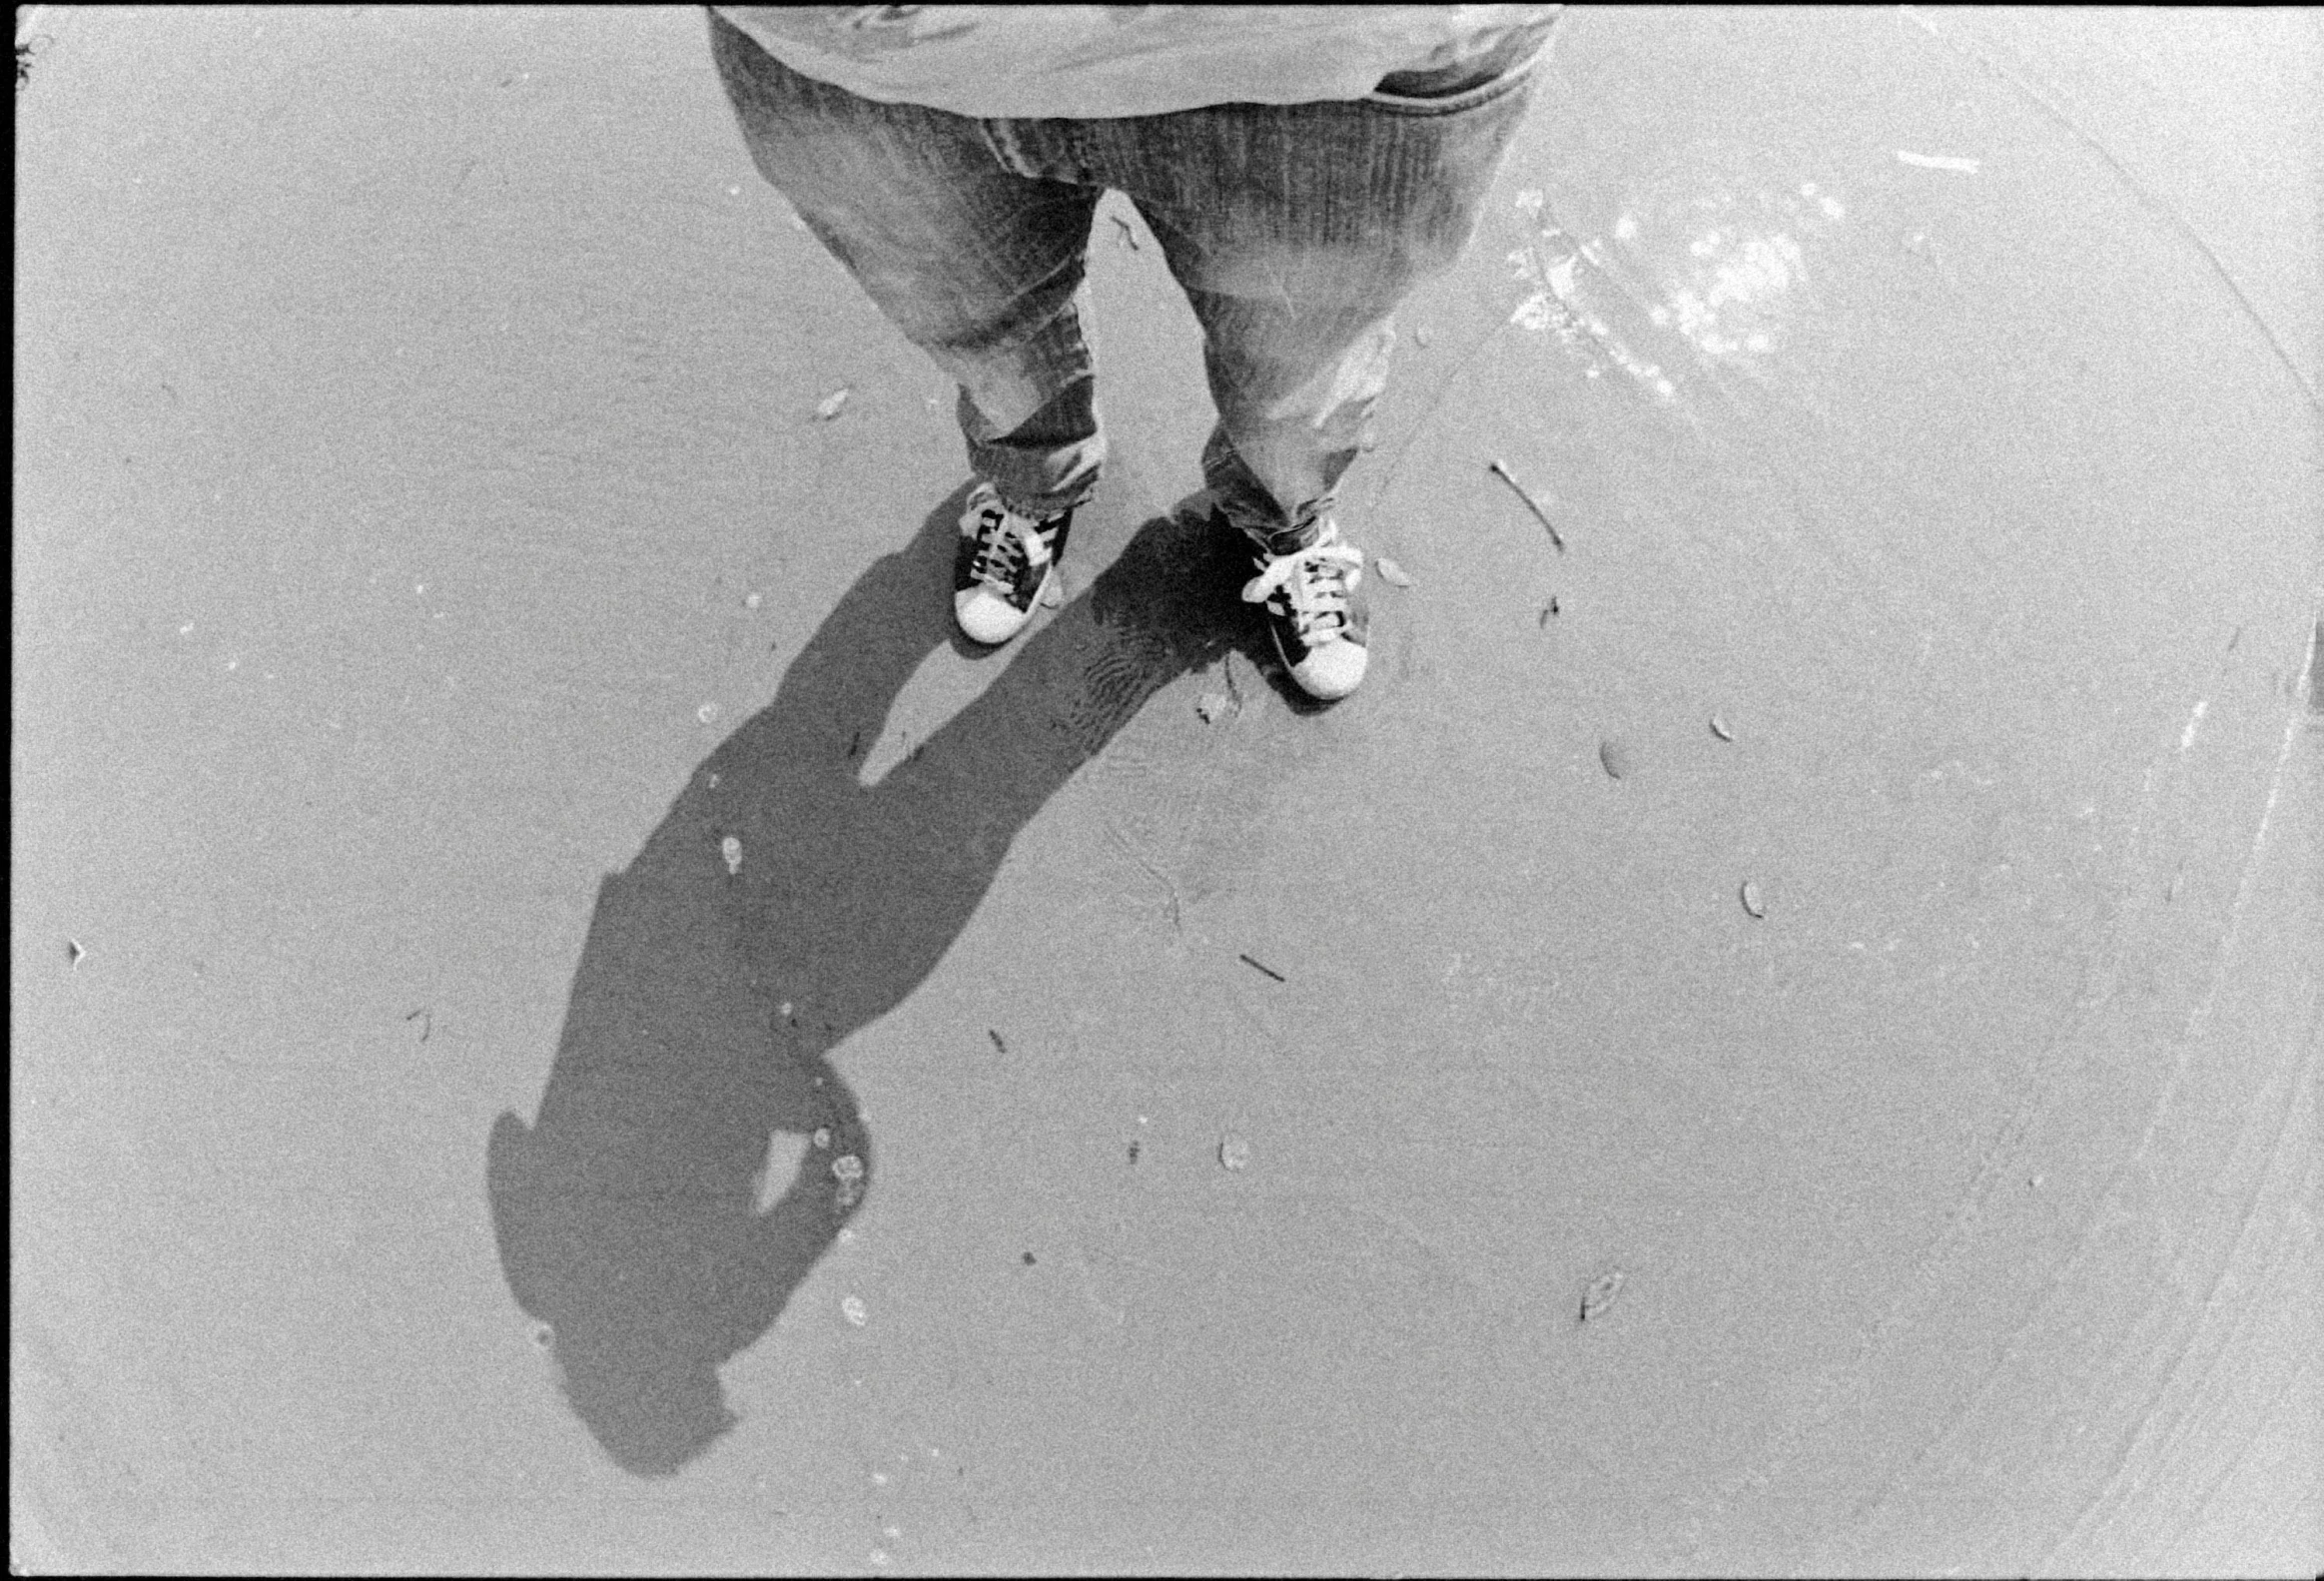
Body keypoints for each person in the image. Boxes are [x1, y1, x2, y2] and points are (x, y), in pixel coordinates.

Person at [708, 4, 1563, 701]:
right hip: (860, 59)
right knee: (991, 341)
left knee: (1296, 382)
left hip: (1345, 59)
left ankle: (1283, 520)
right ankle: (1033, 486)